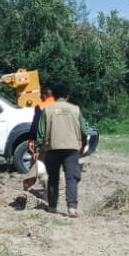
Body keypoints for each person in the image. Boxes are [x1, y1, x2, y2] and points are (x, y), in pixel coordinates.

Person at [35, 81, 86, 217]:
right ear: (68, 96)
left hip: (52, 148)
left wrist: (39, 149)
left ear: (53, 95)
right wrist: (82, 145)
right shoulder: (76, 109)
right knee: (72, 178)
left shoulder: (47, 110)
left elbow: (41, 133)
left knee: (53, 178)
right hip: (71, 148)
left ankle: (52, 206)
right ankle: (72, 208)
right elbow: (84, 131)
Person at [23, 87, 57, 192]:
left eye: (41, 96)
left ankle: (44, 186)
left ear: (44, 95)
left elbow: (36, 125)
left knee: (40, 163)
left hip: (45, 142)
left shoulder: (41, 106)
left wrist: (31, 140)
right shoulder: (61, 106)